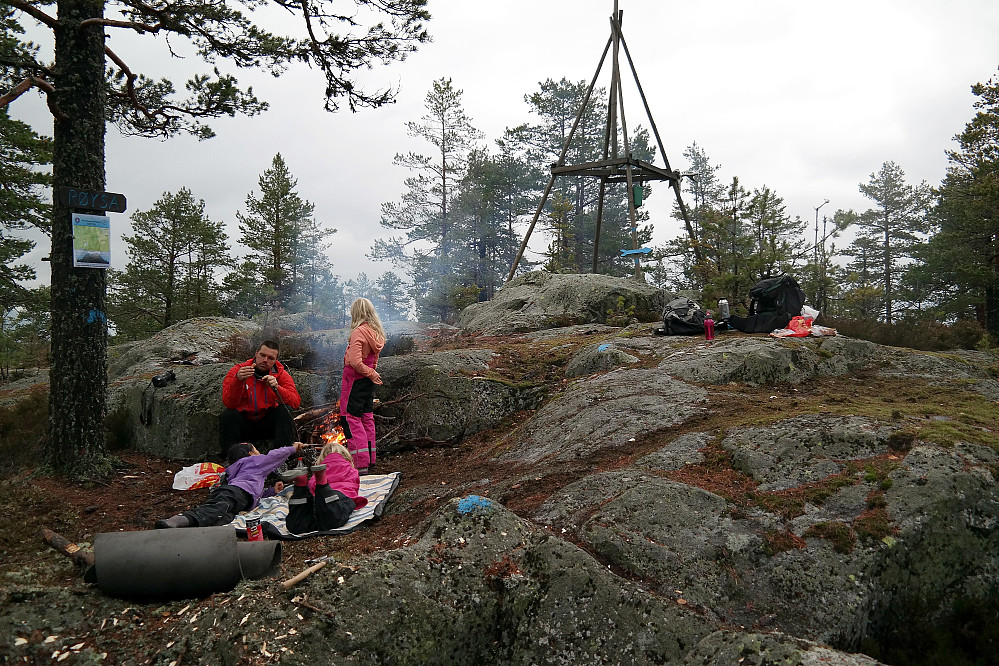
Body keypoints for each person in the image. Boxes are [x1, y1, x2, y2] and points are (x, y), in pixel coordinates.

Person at [156, 442, 305, 528]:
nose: (260, 454)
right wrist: (293, 448)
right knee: (216, 509)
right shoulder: (253, 462)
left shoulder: (240, 470)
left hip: (238, 496)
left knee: (226, 517)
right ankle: (176, 521)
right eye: (257, 450)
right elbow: (273, 456)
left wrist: (271, 491)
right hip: (235, 493)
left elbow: (253, 493)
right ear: (250, 454)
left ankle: (194, 530)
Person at [219, 339, 301, 456]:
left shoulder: (280, 374)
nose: (265, 360)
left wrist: (277, 388)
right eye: (262, 355)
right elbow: (229, 403)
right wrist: (238, 380)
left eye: (270, 358)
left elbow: (295, 402)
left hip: (267, 423)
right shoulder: (239, 370)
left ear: (275, 360)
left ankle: (282, 457)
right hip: (244, 423)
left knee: (284, 411)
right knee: (228, 415)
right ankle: (231, 459)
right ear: (256, 353)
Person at [339, 298, 386, 474]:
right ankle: (370, 460)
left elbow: (354, 361)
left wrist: (370, 374)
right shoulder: (376, 332)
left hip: (355, 381)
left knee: (350, 419)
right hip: (366, 382)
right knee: (366, 418)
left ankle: (360, 464)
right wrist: (372, 373)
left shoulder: (359, 332)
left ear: (356, 313)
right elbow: (373, 361)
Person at [283, 441, 368, 534]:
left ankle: (300, 487)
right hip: (341, 497)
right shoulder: (351, 470)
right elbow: (354, 487)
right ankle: (323, 484)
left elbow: (311, 488)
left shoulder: (314, 475)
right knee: (334, 518)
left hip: (317, 501)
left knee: (298, 525)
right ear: (346, 456)